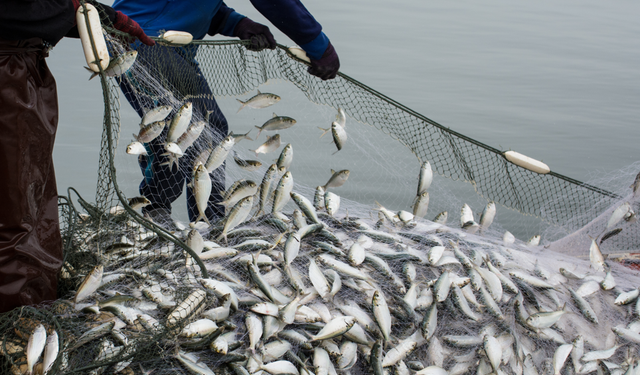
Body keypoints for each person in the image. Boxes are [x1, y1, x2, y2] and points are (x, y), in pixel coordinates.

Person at [112, 0, 340, 227]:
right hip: (142, 39)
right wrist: (318, 45)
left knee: (209, 129)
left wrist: (236, 23)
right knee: (182, 130)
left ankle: (210, 219)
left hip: (169, 45)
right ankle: (158, 212)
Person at [0, 0, 154, 313]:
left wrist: (96, 18)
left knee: (26, 194)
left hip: (19, 64)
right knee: (18, 208)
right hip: (7, 75)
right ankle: (20, 317)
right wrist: (80, 11)